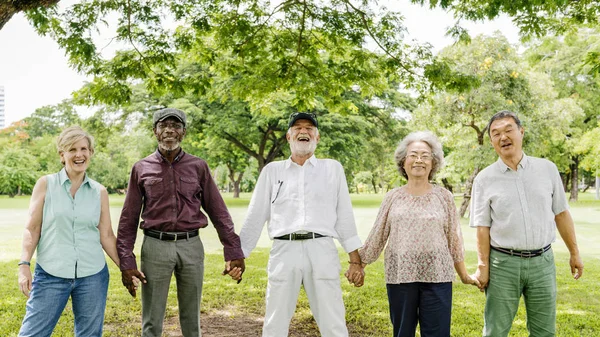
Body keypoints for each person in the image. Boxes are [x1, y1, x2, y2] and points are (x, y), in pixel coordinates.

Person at [117, 108, 245, 337]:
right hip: (155, 247)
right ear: (155, 131)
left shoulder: (199, 166)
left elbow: (219, 212)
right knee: (152, 321)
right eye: (163, 126)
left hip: (191, 246)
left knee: (191, 318)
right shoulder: (141, 168)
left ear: (183, 132)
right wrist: (126, 261)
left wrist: (233, 250)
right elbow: (128, 218)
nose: (169, 131)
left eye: (175, 126)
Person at [237, 112, 363, 337]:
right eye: (297, 128)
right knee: (275, 320)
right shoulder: (272, 171)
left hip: (321, 247)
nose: (303, 131)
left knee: (333, 319)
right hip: (284, 250)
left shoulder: (332, 168)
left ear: (317, 137)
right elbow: (256, 215)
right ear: (288, 136)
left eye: (309, 128)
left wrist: (355, 259)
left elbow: (344, 215)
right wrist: (239, 254)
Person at [470, 110, 584, 337]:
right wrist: (483, 266)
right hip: (503, 264)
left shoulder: (547, 169)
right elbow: (482, 228)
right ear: (491, 141)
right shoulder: (484, 179)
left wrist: (574, 253)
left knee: (544, 332)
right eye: (496, 133)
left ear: (521, 132)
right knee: (495, 332)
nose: (503, 137)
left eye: (508, 130)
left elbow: (561, 214)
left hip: (543, 263)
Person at [359, 131, 481, 337]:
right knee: (402, 333)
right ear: (403, 162)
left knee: (437, 334)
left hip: (438, 276)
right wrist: (358, 264)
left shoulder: (444, 196)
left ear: (433, 163)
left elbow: (454, 239)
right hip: (400, 277)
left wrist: (464, 275)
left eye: (425, 156)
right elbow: (378, 235)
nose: (419, 160)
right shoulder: (393, 197)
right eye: (413, 155)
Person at [17, 126, 124, 336]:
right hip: (51, 274)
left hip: (92, 275)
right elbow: (32, 228)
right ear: (62, 154)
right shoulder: (46, 184)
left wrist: (126, 268)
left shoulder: (99, 191)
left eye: (84, 148)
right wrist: (24, 264)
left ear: (90, 153)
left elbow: (107, 235)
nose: (79, 154)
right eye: (72, 149)